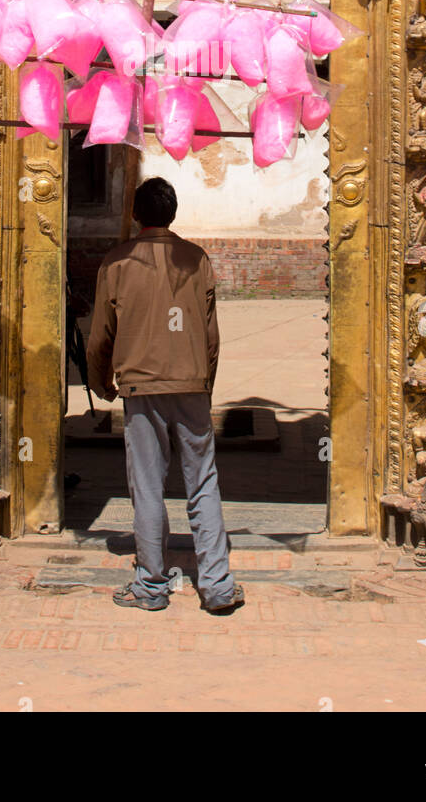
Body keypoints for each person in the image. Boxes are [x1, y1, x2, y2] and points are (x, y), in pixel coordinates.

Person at [87, 177, 243, 615]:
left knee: (148, 487)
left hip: (140, 387)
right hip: (191, 384)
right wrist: (204, 381)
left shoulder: (116, 262)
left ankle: (151, 585)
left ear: (136, 214)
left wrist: (100, 380)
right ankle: (216, 585)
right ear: (172, 214)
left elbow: (101, 332)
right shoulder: (197, 260)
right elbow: (211, 334)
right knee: (203, 483)